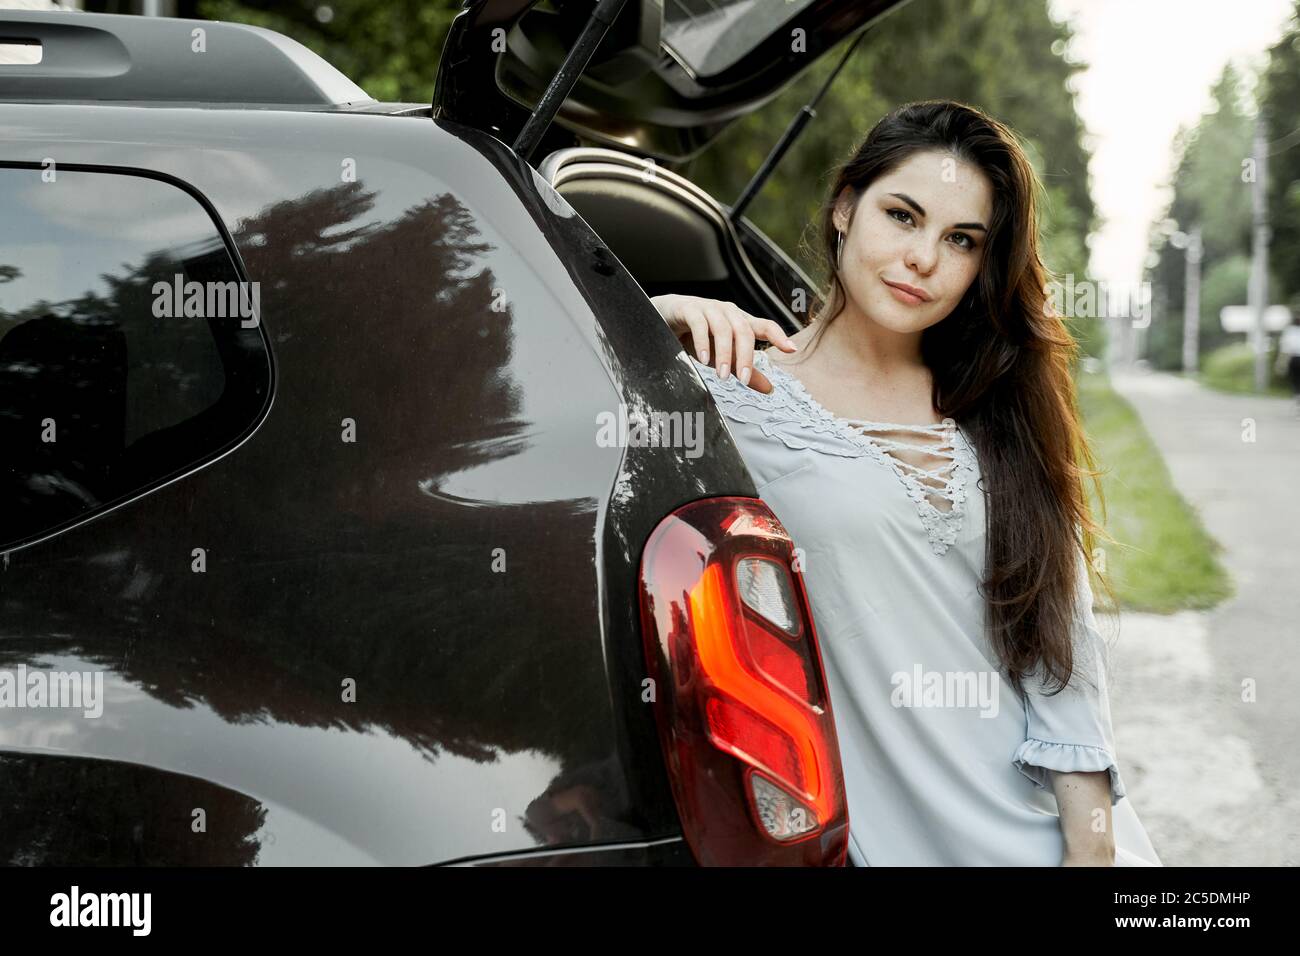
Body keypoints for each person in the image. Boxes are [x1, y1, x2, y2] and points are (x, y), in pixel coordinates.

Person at [651, 100, 1162, 867]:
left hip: (1063, 846)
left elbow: (1063, 660)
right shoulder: (735, 392)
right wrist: (649, 325)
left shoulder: (1002, 412)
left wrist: (1091, 856)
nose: (923, 257)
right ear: (844, 208)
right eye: (902, 215)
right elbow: (528, 417)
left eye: (961, 240)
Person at [1275, 316, 1300, 415]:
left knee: (1295, 381)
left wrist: (1280, 363)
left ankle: (1298, 396)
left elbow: (1285, 349)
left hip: (1293, 359)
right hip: (1294, 358)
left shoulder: (1289, 331)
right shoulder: (1290, 331)